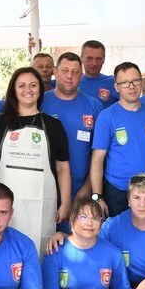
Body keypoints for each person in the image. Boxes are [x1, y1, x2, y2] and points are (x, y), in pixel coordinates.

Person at [0, 67, 71, 256]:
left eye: (33, 85)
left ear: (40, 90)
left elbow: (63, 167)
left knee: (39, 256)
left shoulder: (53, 126)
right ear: (13, 90)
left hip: (41, 208)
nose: (27, 90)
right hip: (2, 208)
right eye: (21, 85)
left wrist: (65, 203)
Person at [90, 62, 145, 217]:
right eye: (125, 82)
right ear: (116, 87)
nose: (131, 86)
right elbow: (97, 160)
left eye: (136, 81)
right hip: (118, 191)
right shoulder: (107, 116)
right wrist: (98, 196)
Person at [40, 52, 103, 212]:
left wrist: (88, 187)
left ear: (81, 75)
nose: (70, 76)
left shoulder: (94, 106)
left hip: (81, 190)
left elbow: (99, 153)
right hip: (45, 188)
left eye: (75, 72)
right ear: (55, 72)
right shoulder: (40, 102)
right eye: (65, 70)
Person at [77, 40, 119, 107]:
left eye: (98, 59)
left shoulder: (115, 82)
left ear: (104, 60)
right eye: (89, 58)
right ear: (81, 58)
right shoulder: (71, 83)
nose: (94, 63)